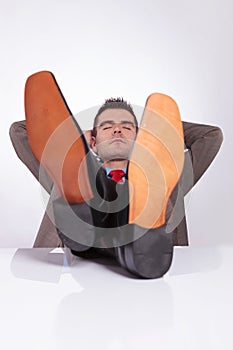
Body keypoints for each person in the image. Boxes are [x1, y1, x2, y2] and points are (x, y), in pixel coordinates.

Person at [10, 86, 223, 278]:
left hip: (140, 249)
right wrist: (72, 136)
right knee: (72, 175)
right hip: (76, 260)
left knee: (153, 182)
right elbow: (19, 132)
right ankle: (81, 205)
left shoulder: (169, 175)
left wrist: (155, 133)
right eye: (107, 127)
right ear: (92, 141)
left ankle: (145, 235)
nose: (118, 130)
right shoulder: (66, 172)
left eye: (127, 127)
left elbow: (211, 137)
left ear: (141, 138)